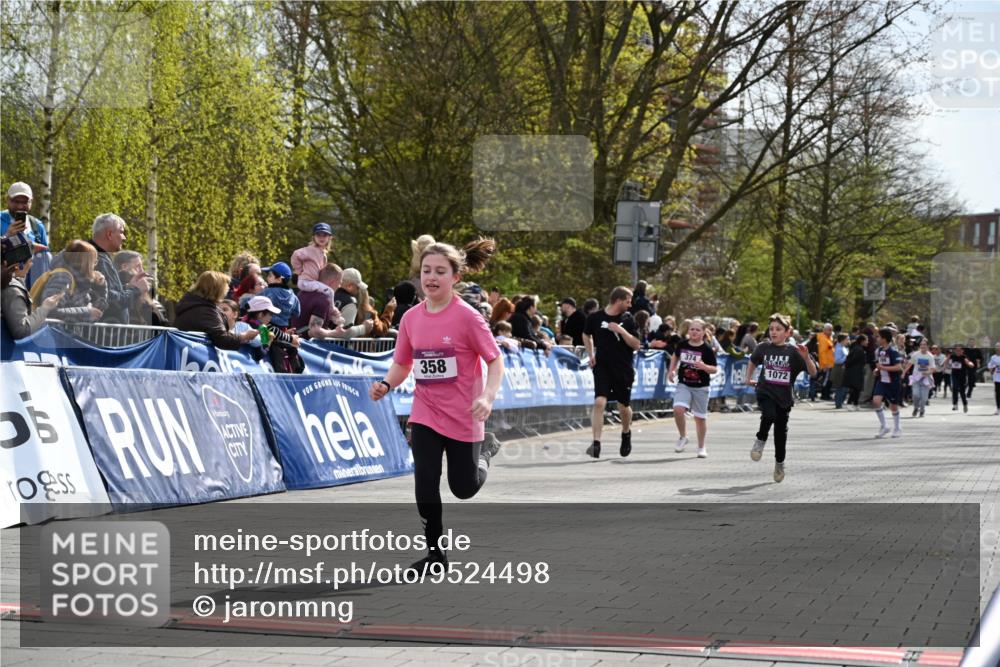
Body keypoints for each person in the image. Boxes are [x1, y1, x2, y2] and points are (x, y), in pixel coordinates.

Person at [369, 238, 503, 574]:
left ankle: (484, 453)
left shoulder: (469, 318)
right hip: (426, 411)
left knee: (463, 488)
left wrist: (486, 397)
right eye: (426, 270)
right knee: (425, 479)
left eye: (440, 271)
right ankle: (435, 555)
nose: (431, 277)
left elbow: (495, 361)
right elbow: (403, 364)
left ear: (455, 277)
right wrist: (387, 383)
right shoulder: (412, 319)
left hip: (464, 414)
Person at [746, 313, 817, 483]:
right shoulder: (763, 347)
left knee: (780, 434)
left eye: (778, 329)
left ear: (787, 333)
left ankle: (779, 463)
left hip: (784, 397)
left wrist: (806, 357)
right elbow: (753, 361)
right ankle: (760, 439)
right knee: (768, 414)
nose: (773, 332)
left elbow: (813, 372)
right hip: (765, 391)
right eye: (771, 329)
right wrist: (748, 378)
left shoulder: (794, 352)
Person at [583, 286, 641, 458]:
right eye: (628, 301)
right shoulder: (595, 317)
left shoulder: (628, 320)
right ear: (619, 300)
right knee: (599, 402)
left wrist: (621, 331)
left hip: (623, 368)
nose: (630, 305)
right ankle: (596, 443)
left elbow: (636, 344)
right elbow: (586, 335)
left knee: (623, 406)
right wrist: (591, 353)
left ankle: (626, 432)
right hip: (602, 366)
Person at [85, 213, 150, 323]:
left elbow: (106, 292)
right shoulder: (98, 259)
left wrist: (128, 287)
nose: (124, 238)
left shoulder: (97, 256)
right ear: (109, 234)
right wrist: (136, 290)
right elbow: (110, 301)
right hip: (103, 336)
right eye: (121, 232)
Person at [668, 318, 718, 458]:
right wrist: (671, 370)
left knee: (700, 418)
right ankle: (683, 436)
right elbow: (675, 356)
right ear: (688, 331)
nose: (694, 332)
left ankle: (701, 447)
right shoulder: (682, 344)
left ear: (703, 333)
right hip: (684, 383)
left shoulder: (706, 349)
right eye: (692, 329)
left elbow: (714, 369)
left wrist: (705, 367)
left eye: (698, 330)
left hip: (701, 387)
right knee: (678, 409)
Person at [173, 270, 259, 349]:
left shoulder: (193, 304)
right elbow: (222, 339)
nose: (228, 289)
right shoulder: (206, 311)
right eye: (225, 286)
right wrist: (244, 336)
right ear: (217, 289)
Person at [37, 240, 109, 323]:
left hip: (63, 334)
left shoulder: (80, 281)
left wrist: (100, 286)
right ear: (85, 262)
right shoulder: (63, 278)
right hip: (54, 334)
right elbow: (49, 312)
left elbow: (96, 311)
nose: (95, 265)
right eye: (94, 261)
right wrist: (86, 312)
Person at [1, 182, 51, 288]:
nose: (20, 206)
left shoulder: (37, 226)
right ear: (7, 200)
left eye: (24, 202)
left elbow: (45, 260)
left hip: (33, 288)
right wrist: (7, 236)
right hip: (5, 287)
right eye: (15, 201)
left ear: (31, 202)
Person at [2, 254, 63, 338]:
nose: (32, 264)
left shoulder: (12, 284)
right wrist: (45, 308)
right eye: (30, 261)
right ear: (19, 265)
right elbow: (21, 330)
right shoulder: (13, 290)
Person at [291, 223, 336, 309]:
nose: (321, 238)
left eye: (325, 235)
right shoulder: (310, 250)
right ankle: (332, 312)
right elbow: (295, 254)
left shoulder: (323, 254)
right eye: (318, 235)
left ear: (330, 237)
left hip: (313, 282)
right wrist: (299, 270)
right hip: (306, 281)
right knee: (330, 292)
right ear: (314, 237)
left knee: (326, 291)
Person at [291, 263, 343, 336]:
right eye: (339, 283)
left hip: (295, 342)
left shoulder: (302, 292)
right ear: (333, 281)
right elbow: (314, 331)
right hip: (307, 345)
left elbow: (304, 321)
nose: (340, 286)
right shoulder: (324, 300)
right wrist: (335, 333)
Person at [871, 328, 905, 438]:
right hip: (882, 381)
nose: (877, 338)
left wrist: (883, 368)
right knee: (876, 402)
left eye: (878, 337)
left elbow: (899, 367)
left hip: (893, 382)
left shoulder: (893, 351)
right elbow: (879, 365)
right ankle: (884, 426)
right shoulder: (878, 351)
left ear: (884, 339)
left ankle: (897, 427)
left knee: (893, 406)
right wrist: (877, 370)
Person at [903, 338, 937, 418]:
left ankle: (922, 410)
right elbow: (910, 364)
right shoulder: (915, 354)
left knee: (924, 398)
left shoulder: (930, 356)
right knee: (915, 395)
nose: (923, 346)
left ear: (927, 346)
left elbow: (933, 369)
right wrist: (904, 372)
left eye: (924, 345)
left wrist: (928, 372)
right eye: (921, 344)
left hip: (926, 379)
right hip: (916, 378)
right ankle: (915, 408)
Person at [839, 334, 868, 411]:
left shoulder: (858, 348)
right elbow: (852, 360)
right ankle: (849, 403)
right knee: (856, 388)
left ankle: (855, 404)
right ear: (862, 341)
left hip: (856, 371)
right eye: (866, 340)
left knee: (857, 389)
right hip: (855, 371)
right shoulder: (859, 349)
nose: (867, 342)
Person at [948, 343, 974, 413]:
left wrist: (970, 364)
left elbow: (968, 362)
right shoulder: (952, 356)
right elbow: (946, 361)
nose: (958, 351)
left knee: (962, 392)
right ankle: (955, 404)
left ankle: (965, 404)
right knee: (954, 389)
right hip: (954, 375)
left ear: (962, 351)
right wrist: (943, 366)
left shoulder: (964, 357)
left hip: (962, 376)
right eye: (956, 350)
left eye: (959, 350)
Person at [831, 333, 849, 408]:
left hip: (842, 368)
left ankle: (840, 403)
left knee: (843, 387)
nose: (848, 341)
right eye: (847, 339)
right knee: (840, 387)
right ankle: (838, 404)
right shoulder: (839, 348)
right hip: (839, 368)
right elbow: (837, 360)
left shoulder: (843, 347)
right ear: (842, 340)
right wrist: (846, 357)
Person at [988, 343, 1000, 416]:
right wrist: (992, 370)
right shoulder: (993, 357)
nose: (998, 348)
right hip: (997, 378)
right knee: (998, 394)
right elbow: (990, 367)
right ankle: (998, 408)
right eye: (997, 347)